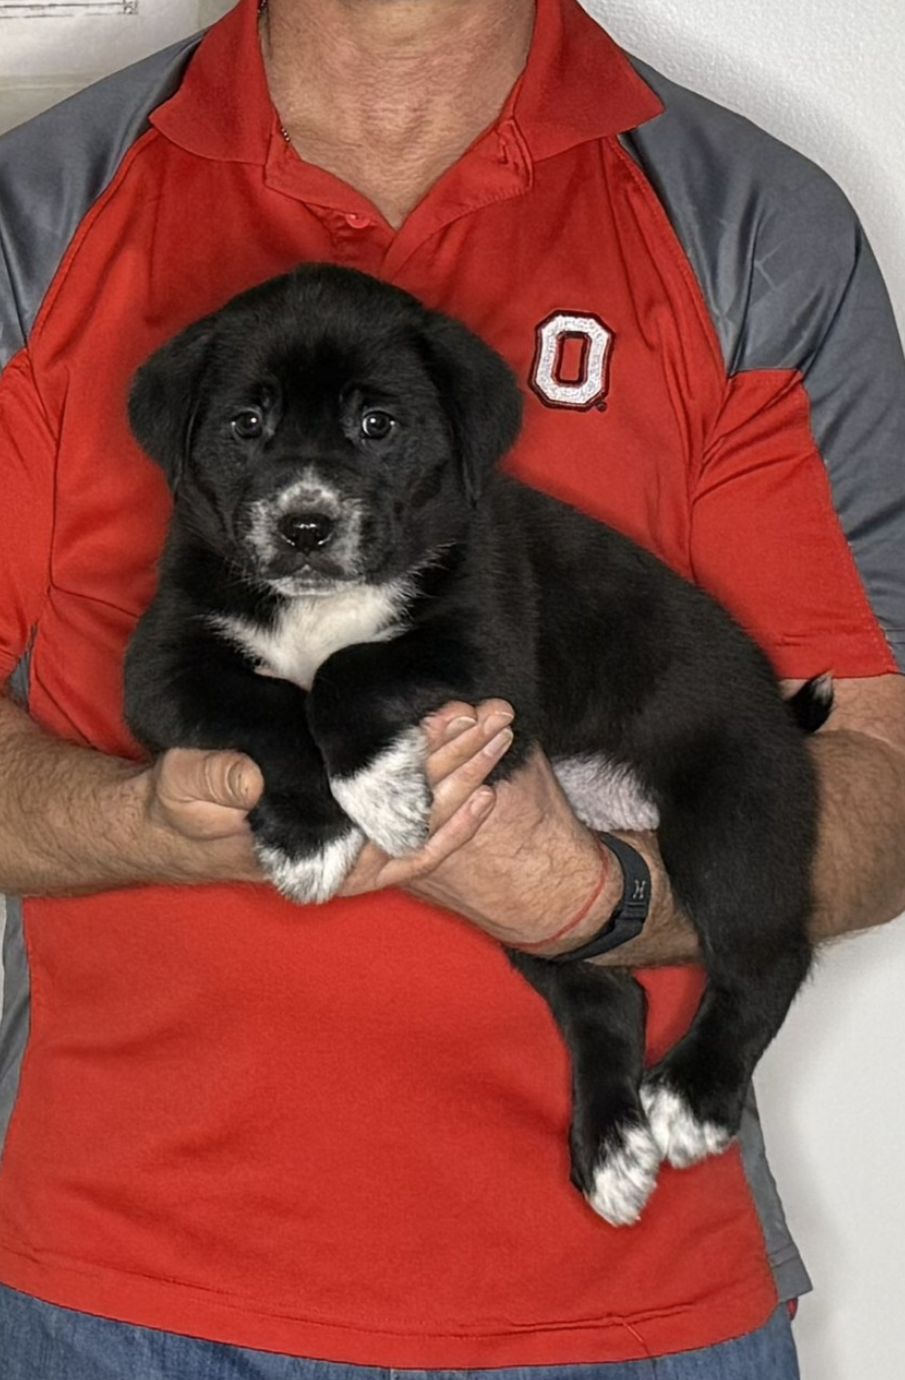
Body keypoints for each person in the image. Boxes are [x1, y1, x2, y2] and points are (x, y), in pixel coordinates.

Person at [0, 0, 903, 1374]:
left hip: (627, 1315)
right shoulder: (39, 208)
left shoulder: (745, 226)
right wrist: (150, 826)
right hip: (118, 1302)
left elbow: (878, 771)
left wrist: (600, 898)